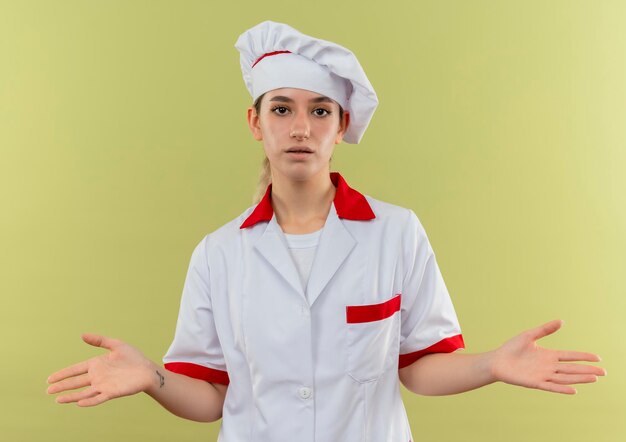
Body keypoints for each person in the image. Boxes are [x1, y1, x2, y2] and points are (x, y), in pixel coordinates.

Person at [47, 20, 606, 441]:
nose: (300, 128)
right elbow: (212, 394)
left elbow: (419, 368)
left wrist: (492, 365)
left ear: (341, 126)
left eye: (320, 112)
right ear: (255, 122)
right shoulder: (218, 253)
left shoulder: (395, 233)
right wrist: (153, 377)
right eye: (282, 109)